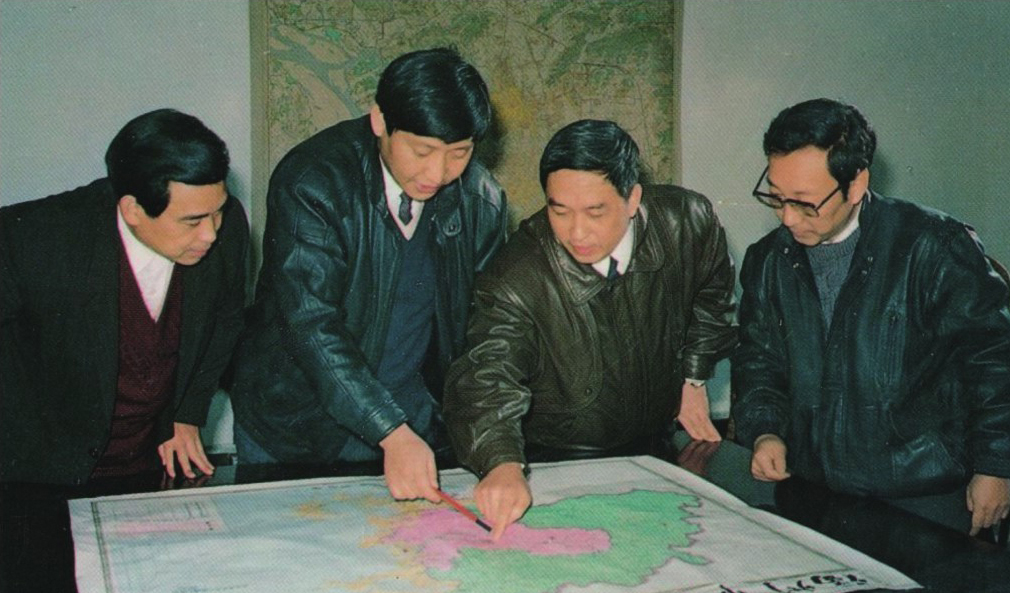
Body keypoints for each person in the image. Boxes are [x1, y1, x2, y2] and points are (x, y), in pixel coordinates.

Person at [230, 47, 508, 503]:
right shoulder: (314, 181)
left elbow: (487, 335)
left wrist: (498, 451)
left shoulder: (481, 200)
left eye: (459, 153)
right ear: (379, 120)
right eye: (422, 151)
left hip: (411, 422)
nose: (438, 173)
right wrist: (389, 430)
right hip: (298, 426)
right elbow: (310, 324)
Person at [732, 98, 1010, 536]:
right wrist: (766, 431)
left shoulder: (932, 246)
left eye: (805, 204)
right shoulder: (768, 260)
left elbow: (995, 360)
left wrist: (994, 465)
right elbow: (758, 359)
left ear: (855, 184)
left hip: (923, 491)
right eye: (775, 197)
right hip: (816, 485)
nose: (787, 218)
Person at [444, 119, 738, 538]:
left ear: (632, 198)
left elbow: (713, 293)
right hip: (558, 459)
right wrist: (501, 462)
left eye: (595, 212)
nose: (576, 232)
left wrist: (694, 376)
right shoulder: (517, 274)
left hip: (657, 448)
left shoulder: (688, 222)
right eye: (559, 211)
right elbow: (486, 373)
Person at [0, 108, 248, 591]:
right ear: (132, 209)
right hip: (37, 476)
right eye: (193, 220)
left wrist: (187, 411)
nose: (212, 233)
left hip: (146, 470)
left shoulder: (226, 223)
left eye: (217, 212)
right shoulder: (34, 238)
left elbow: (226, 317)